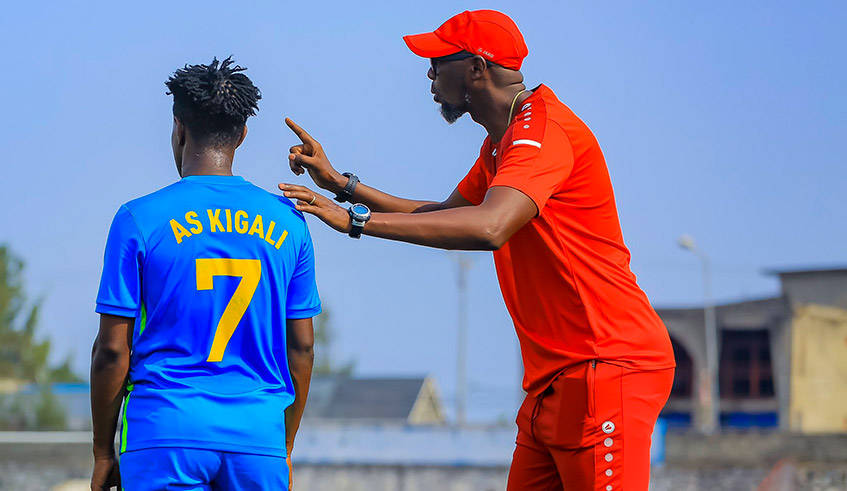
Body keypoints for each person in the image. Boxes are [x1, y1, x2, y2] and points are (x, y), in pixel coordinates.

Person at [279, 10, 675, 491]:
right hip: (555, 380)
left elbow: (489, 227)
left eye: (436, 63)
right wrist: (344, 186)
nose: (428, 76)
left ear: (476, 68)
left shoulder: (541, 132)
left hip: (606, 367)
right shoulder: (500, 143)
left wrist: (355, 222)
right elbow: (446, 214)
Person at [90, 57, 320, 491]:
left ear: (178, 128)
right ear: (243, 134)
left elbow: (112, 352)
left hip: (164, 432)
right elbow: (302, 348)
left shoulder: (138, 218)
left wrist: (104, 452)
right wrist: (282, 446)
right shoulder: (289, 222)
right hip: (258, 439)